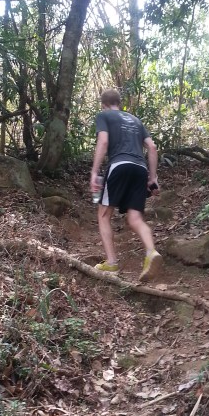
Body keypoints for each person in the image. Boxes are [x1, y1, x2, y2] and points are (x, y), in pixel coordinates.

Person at [90, 88, 163, 283]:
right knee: (135, 218)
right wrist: (152, 178)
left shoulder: (104, 116)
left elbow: (103, 142)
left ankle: (112, 262)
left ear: (104, 104)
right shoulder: (136, 121)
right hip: (140, 168)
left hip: (119, 165)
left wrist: (94, 171)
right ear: (119, 102)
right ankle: (151, 252)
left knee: (104, 214)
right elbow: (152, 147)